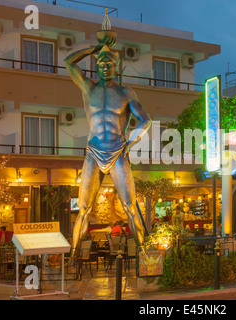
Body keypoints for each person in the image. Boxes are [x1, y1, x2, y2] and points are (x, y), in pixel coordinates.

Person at [64, 32, 151, 259]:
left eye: (109, 63)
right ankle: (73, 258)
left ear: (116, 66)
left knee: (130, 207)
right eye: (101, 63)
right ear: (96, 65)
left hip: (118, 150)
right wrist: (96, 47)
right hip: (93, 152)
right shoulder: (88, 88)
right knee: (84, 210)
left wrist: (131, 142)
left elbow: (146, 120)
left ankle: (144, 256)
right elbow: (68, 62)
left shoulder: (125, 92)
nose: (105, 67)